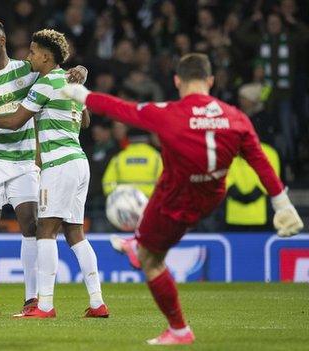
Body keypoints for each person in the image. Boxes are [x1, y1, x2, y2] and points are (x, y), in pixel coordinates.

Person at [62, 53, 304, 345]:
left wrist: (83, 95)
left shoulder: (168, 113)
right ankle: (139, 240)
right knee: (169, 177)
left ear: (177, 81)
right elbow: (259, 160)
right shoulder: (236, 117)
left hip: (178, 197)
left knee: (150, 261)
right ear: (211, 81)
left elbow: (123, 110)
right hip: (212, 195)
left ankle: (178, 329)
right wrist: (282, 203)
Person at [0, 29, 108, 318]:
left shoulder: (44, 84)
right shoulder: (70, 82)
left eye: (33, 52)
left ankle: (44, 305)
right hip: (79, 162)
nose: (29, 56)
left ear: (46, 56)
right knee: (75, 232)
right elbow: (85, 120)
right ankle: (97, 302)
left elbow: (15, 121)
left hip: (57, 166)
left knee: (44, 231)